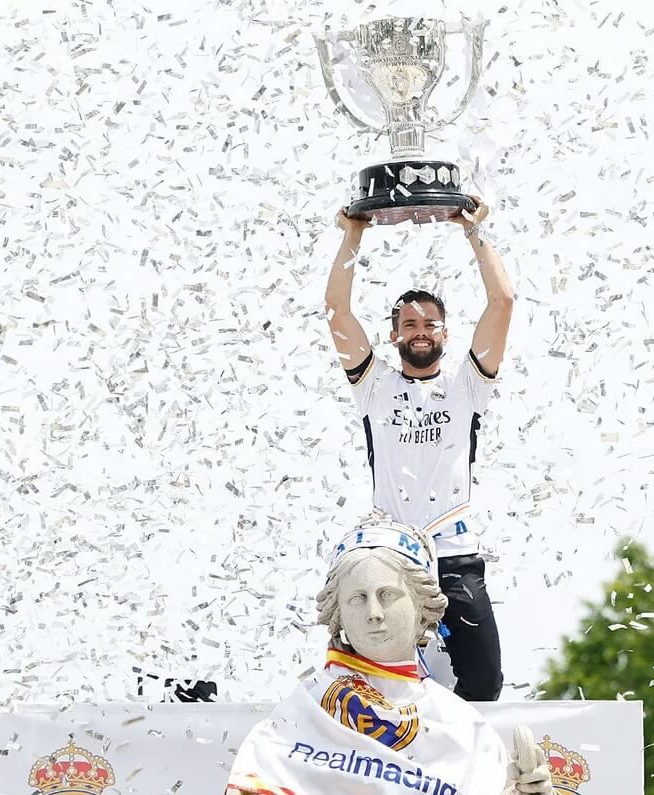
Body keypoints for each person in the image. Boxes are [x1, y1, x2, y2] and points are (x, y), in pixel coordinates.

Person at [323, 198, 514, 702]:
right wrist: (353, 234)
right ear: (393, 336)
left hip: (454, 553)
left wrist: (473, 232)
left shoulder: (467, 385)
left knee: (485, 682)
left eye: (430, 324)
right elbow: (337, 312)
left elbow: (503, 304)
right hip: (390, 554)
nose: (421, 332)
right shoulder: (375, 386)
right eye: (409, 325)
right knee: (373, 685)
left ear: (445, 333)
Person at [224, 514, 551, 795]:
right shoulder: (295, 720)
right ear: (337, 611)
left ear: (422, 604)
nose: (373, 612)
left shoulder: (468, 731)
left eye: (388, 594)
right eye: (357, 598)